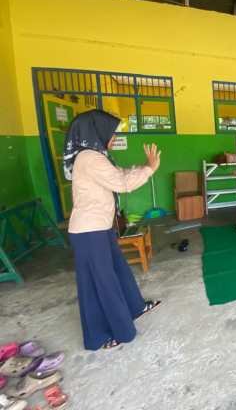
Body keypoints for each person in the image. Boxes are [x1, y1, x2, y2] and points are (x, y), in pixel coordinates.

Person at [64, 110, 161, 351]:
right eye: (111, 133)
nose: (113, 138)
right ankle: (100, 336)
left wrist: (142, 167)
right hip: (89, 232)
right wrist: (150, 169)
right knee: (100, 283)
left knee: (118, 270)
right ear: (97, 132)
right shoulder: (90, 158)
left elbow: (119, 175)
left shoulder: (95, 156)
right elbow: (122, 183)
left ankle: (135, 307)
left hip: (100, 227)